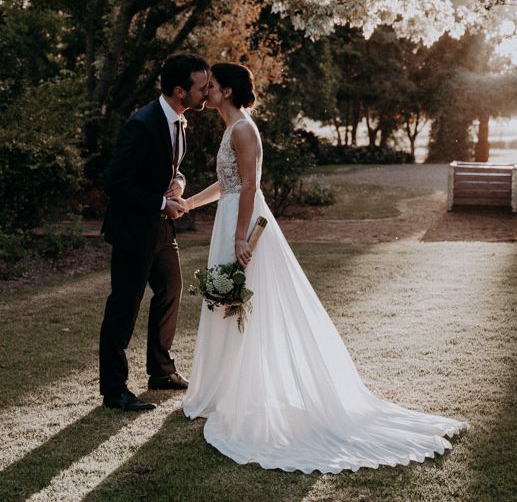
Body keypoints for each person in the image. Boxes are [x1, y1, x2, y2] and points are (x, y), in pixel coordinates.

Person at [181, 62, 466, 473]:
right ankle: (226, 391)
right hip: (229, 219)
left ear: (226, 91)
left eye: (210, 86)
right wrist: (190, 203)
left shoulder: (243, 129)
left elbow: (249, 186)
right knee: (229, 304)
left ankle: (244, 394)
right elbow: (227, 185)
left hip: (241, 225)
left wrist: (240, 237)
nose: (204, 92)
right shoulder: (232, 128)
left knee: (245, 304)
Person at [99, 52, 209, 411]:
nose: (206, 91)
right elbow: (116, 182)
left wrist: (176, 181)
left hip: (162, 230)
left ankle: (161, 370)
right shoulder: (143, 124)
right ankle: (114, 391)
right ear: (180, 90)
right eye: (201, 86)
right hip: (134, 230)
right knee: (123, 308)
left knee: (170, 290)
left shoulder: (177, 119)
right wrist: (162, 204)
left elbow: (167, 166)